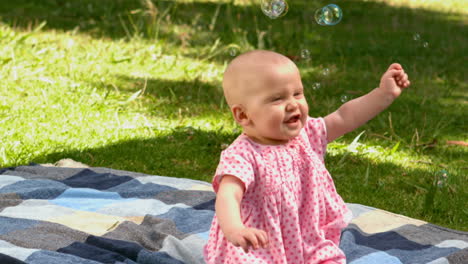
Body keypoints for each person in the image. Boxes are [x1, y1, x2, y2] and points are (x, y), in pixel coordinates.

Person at [203, 50, 410, 264]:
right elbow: (228, 195)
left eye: (297, 93)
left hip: (307, 240)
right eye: (277, 99)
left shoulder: (307, 134)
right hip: (258, 245)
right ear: (243, 115)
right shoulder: (243, 154)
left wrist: (383, 94)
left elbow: (345, 116)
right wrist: (235, 229)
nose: (293, 104)